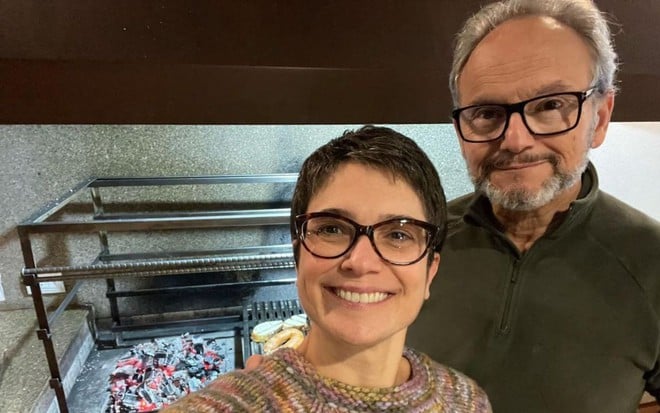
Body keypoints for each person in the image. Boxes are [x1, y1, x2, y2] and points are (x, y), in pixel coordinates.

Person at [406, 1, 660, 412]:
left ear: (599, 118)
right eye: (487, 113)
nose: (516, 140)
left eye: (550, 105)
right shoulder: (412, 242)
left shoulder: (652, 262)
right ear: (460, 129)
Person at [161, 126, 492, 412]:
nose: (361, 263)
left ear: (429, 273)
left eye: (397, 234)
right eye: (332, 229)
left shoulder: (466, 402)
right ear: (298, 255)